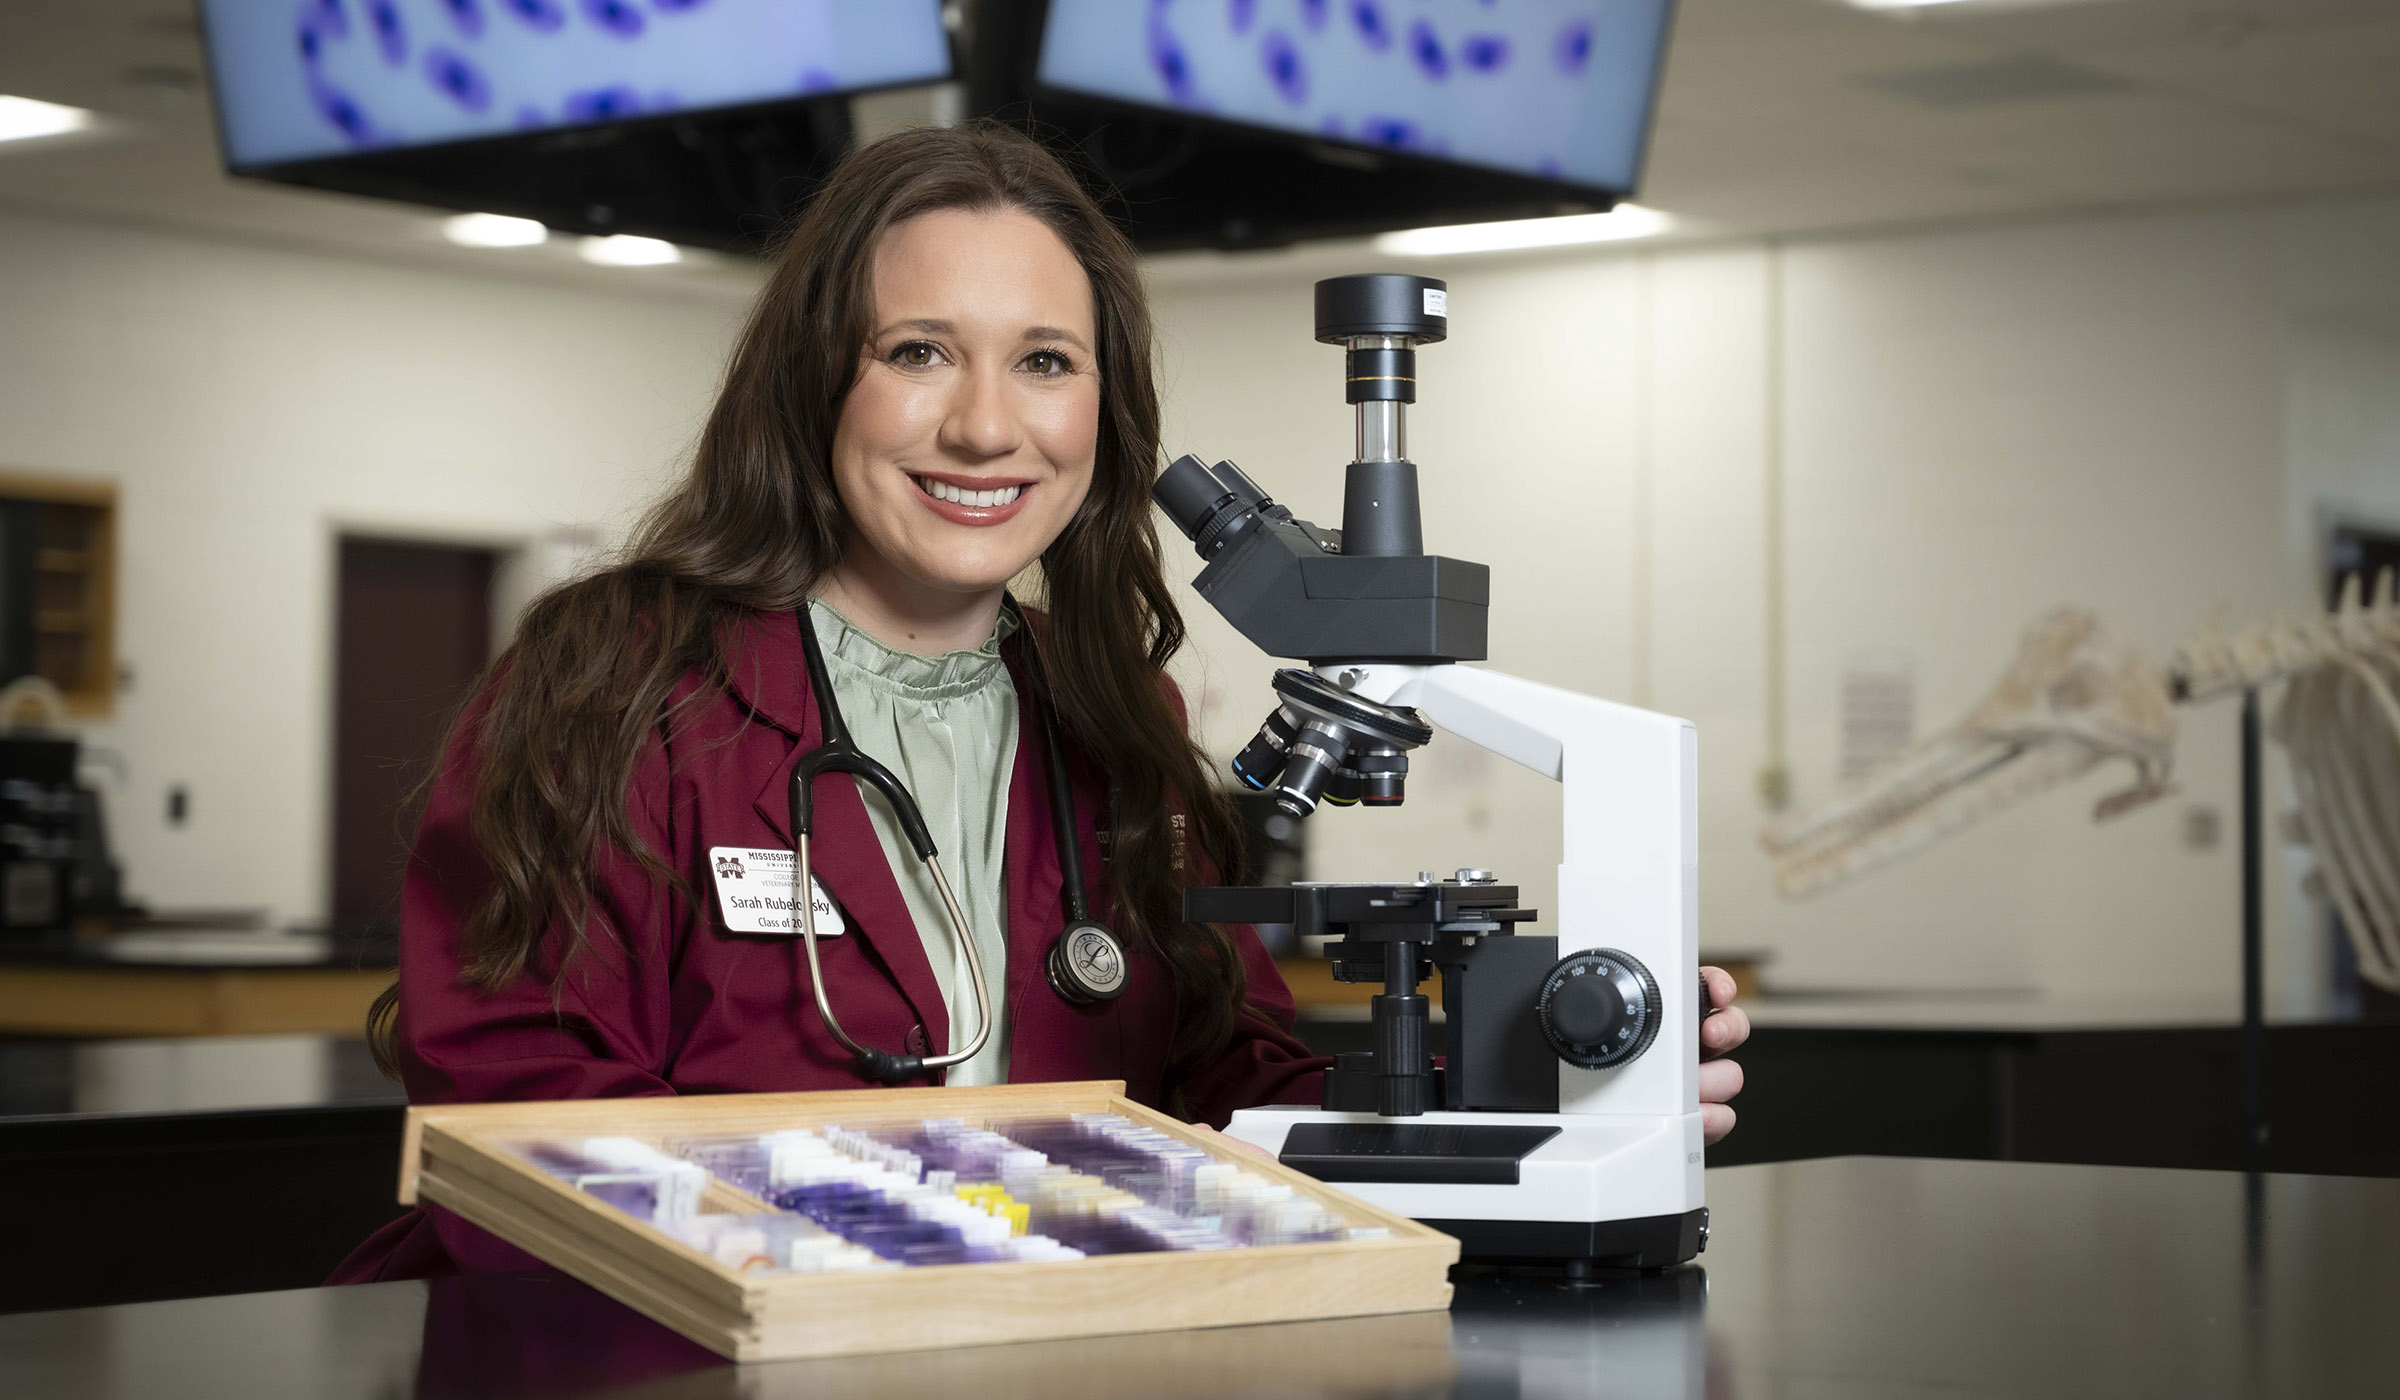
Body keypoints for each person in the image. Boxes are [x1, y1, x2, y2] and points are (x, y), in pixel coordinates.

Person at [332, 122, 1749, 1282]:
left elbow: (1220, 1090)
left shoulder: (1108, 712)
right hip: (641, 1353)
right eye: (919, 351)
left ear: (1105, 414)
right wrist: (885, 1251)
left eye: (1045, 363)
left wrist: (1516, 1088)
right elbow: (519, 1102)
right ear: (816, 383)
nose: (986, 427)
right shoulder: (614, 678)